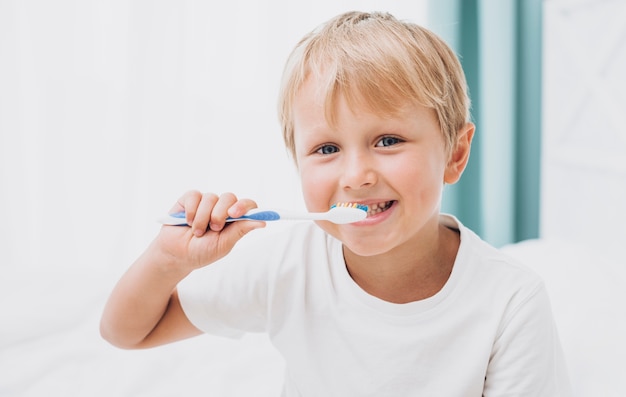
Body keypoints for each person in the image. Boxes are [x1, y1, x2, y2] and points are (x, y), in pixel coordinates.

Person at [101, 11, 571, 396]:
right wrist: (167, 260)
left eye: (387, 140)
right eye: (326, 149)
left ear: (455, 154)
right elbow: (126, 331)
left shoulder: (511, 302)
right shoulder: (286, 264)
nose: (355, 176)